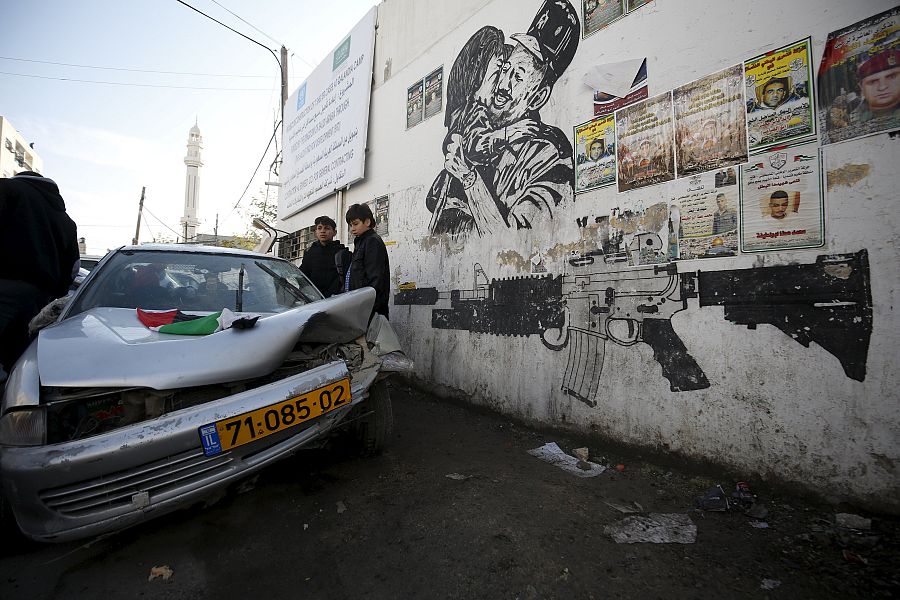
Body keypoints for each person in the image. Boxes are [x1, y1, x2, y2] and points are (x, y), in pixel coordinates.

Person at [427, 0, 580, 235]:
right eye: (505, 70)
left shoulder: (549, 153)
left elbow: (519, 243)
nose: (503, 85)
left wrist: (469, 179)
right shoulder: (478, 125)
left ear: (538, 97)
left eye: (518, 77)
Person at [0, 171, 79, 374]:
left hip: (5, 284)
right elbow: (73, 267)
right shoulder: (66, 220)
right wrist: (55, 294)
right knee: (20, 357)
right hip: (39, 297)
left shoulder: (8, 189)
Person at [346, 203, 390, 319]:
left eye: (355, 224)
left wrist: (367, 306)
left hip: (369, 308)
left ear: (367, 222)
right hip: (360, 305)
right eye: (350, 225)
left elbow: (376, 279)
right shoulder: (361, 242)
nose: (352, 229)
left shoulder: (372, 241)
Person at [299, 215, 347, 297]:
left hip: (336, 299)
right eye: (319, 228)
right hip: (313, 300)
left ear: (334, 232)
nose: (322, 231)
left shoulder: (342, 253)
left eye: (327, 228)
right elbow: (303, 276)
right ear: (315, 232)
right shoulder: (310, 253)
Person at [851, 49, 900, 124]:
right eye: (873, 81)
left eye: (891, 76)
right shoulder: (852, 119)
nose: (882, 87)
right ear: (861, 87)